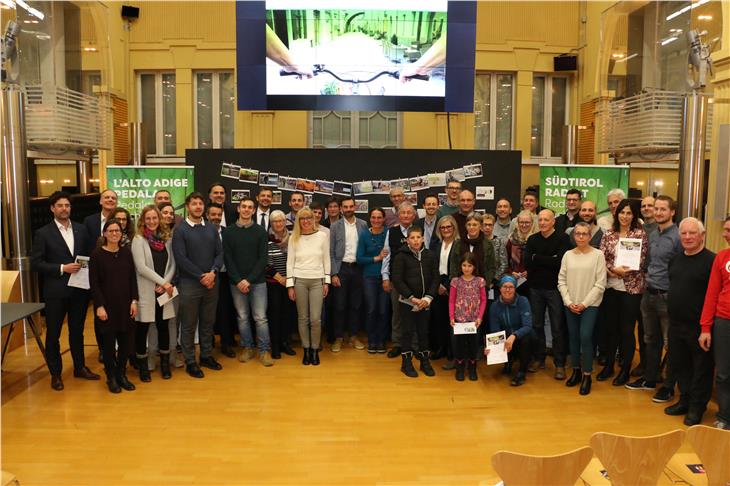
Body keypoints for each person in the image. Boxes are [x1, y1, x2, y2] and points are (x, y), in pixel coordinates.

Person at [30, 191, 99, 391]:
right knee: (53, 334)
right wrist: (62, 268)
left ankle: (79, 367)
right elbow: (36, 263)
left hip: (79, 290)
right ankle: (56, 373)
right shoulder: (43, 233)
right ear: (52, 208)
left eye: (67, 205)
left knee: (77, 332)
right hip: (56, 292)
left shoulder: (81, 229)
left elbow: (88, 256)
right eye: (59, 205)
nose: (64, 209)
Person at [661, 217, 716, 425]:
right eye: (683, 233)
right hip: (675, 323)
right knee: (680, 365)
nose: (687, 237)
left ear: (702, 235)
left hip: (699, 327)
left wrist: (707, 327)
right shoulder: (675, 259)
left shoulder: (712, 261)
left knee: (701, 368)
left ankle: (697, 407)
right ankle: (684, 400)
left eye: (692, 233)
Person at [626, 195, 682, 402]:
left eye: (662, 209)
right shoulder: (652, 234)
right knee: (651, 340)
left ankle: (668, 386)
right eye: (656, 209)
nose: (658, 212)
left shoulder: (678, 237)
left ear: (672, 212)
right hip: (648, 293)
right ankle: (649, 379)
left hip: (668, 297)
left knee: (671, 343)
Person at [172, 192, 224, 378]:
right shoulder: (180, 230)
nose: (198, 207)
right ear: (188, 207)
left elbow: (220, 254)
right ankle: (190, 361)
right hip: (190, 285)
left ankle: (206, 355)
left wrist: (213, 273)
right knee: (188, 324)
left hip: (211, 283)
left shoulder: (211, 228)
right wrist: (201, 276)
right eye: (194, 204)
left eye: (200, 204)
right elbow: (181, 258)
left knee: (208, 323)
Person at [595, 199, 648, 386]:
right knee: (611, 330)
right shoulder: (608, 234)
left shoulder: (640, 234)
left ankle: (625, 369)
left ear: (634, 215)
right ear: (616, 214)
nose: (625, 216)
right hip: (610, 287)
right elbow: (601, 257)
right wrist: (612, 271)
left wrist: (621, 271)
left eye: (629, 213)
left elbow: (640, 262)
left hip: (631, 289)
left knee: (626, 331)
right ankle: (608, 365)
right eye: (622, 212)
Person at [558, 222, 607, 396]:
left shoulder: (598, 255)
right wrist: (568, 301)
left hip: (590, 305)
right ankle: (576, 371)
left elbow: (601, 283)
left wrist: (584, 303)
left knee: (585, 337)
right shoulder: (568, 255)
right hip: (570, 303)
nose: (580, 237)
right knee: (573, 338)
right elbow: (561, 280)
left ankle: (587, 374)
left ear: (589, 236)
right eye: (577, 234)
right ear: (573, 236)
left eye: (584, 234)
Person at [89, 219, 138, 394]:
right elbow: (93, 284)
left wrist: (134, 301)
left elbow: (132, 278)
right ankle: (111, 377)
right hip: (107, 307)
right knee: (109, 346)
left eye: (117, 230)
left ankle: (121, 374)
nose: (114, 233)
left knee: (125, 344)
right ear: (104, 233)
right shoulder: (96, 255)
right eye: (110, 231)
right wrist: (99, 306)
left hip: (126, 305)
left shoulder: (126, 253)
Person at [223, 198, 273, 367]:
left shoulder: (260, 232)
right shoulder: (228, 232)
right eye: (243, 206)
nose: (246, 210)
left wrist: (249, 280)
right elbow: (228, 259)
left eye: (250, 207)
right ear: (238, 209)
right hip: (236, 283)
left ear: (253, 211)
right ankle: (247, 347)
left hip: (257, 282)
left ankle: (264, 350)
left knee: (260, 318)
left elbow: (262, 259)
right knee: (243, 317)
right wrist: (239, 280)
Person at [131, 205, 177, 382]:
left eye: (155, 218)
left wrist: (165, 283)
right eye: (148, 218)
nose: (151, 221)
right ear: (143, 220)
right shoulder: (138, 239)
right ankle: (143, 367)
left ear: (160, 219)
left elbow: (173, 264)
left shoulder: (167, 239)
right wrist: (163, 282)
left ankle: (165, 364)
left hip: (163, 291)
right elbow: (141, 267)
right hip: (146, 291)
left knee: (163, 326)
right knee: (142, 328)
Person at [524, 209, 571, 380]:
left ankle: (559, 364)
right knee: (536, 325)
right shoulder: (532, 239)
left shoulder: (563, 238)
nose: (543, 222)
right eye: (541, 219)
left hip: (555, 289)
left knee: (557, 327)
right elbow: (527, 261)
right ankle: (539, 358)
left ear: (553, 222)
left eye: (546, 220)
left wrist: (538, 258)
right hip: (535, 288)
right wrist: (548, 259)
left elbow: (560, 261)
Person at [391, 226, 439, 378]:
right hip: (408, 302)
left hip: (425, 302)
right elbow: (397, 280)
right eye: (412, 238)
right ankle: (406, 363)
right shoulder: (400, 256)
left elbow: (435, 278)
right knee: (407, 332)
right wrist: (411, 297)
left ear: (423, 238)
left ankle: (425, 362)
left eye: (418, 237)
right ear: (407, 240)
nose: (416, 240)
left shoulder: (430, 255)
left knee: (423, 332)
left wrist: (428, 298)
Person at [287, 207, 330, 366]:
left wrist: (326, 281)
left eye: (308, 218)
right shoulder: (294, 238)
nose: (305, 221)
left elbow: (327, 260)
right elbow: (289, 262)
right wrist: (290, 285)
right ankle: (306, 349)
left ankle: (314, 349)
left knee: (315, 319)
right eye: (302, 218)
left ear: (313, 219)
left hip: (317, 280)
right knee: (303, 318)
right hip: (299, 281)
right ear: (298, 221)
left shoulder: (322, 236)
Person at [700, 215, 730, 430]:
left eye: (729, 230)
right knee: (723, 373)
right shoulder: (721, 257)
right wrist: (705, 328)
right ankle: (725, 416)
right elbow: (711, 294)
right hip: (723, 322)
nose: (725, 234)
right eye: (725, 229)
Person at [329, 197, 368, 351]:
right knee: (339, 305)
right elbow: (331, 252)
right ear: (341, 209)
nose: (348, 209)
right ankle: (339, 337)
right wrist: (334, 274)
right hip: (342, 268)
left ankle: (353, 336)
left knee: (356, 305)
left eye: (351, 206)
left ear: (355, 207)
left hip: (358, 268)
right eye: (345, 207)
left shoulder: (363, 225)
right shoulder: (335, 226)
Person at [382, 201, 417, 358]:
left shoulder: (418, 231)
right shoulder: (392, 232)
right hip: (397, 279)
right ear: (398, 215)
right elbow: (386, 255)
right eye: (403, 213)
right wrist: (385, 277)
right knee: (397, 313)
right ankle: (397, 344)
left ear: (414, 215)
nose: (406, 215)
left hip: (415, 279)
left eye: (409, 213)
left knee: (415, 312)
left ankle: (414, 345)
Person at [486, 276, 535, 386]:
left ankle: (522, 372)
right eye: (505, 286)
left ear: (515, 289)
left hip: (521, 336)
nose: (507, 290)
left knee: (527, 338)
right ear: (500, 288)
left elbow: (527, 326)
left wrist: (514, 336)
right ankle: (508, 361)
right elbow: (495, 330)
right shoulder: (494, 306)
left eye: (511, 287)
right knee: (498, 338)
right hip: (506, 337)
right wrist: (492, 347)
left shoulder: (523, 301)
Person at [204, 203, 237, 358]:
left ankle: (226, 343)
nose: (216, 218)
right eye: (213, 215)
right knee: (207, 312)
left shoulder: (227, 232)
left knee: (225, 311)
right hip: (207, 276)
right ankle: (208, 342)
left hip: (225, 276)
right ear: (207, 215)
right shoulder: (201, 232)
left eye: (219, 215)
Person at [356, 208, 390, 353]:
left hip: (385, 277)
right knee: (371, 309)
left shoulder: (389, 233)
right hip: (369, 277)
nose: (376, 220)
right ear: (370, 219)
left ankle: (381, 341)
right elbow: (359, 258)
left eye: (379, 217)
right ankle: (372, 340)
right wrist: (377, 258)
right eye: (373, 217)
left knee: (383, 310)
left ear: (383, 219)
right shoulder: (364, 234)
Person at [449, 253, 487, 381]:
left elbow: (483, 300)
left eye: (469, 265)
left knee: (473, 344)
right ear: (460, 266)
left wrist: (480, 317)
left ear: (474, 267)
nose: (466, 268)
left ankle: (472, 367)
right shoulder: (456, 281)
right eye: (464, 265)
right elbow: (451, 301)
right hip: (459, 320)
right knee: (458, 344)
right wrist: (451, 317)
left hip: (474, 321)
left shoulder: (480, 281)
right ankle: (460, 367)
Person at [264, 210, 296, 359]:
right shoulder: (267, 239)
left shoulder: (293, 238)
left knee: (288, 314)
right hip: (274, 283)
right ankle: (275, 345)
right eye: (275, 221)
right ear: (271, 223)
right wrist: (280, 278)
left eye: (281, 221)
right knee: (275, 314)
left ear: (285, 222)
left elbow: (296, 259)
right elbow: (266, 264)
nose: (278, 224)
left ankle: (285, 343)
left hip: (290, 282)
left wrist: (288, 279)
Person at [431, 215, 460, 367]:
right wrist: (437, 285)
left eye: (449, 227)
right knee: (438, 318)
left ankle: (451, 350)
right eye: (443, 227)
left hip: (453, 285)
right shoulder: (436, 244)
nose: (446, 230)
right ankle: (440, 347)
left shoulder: (459, 244)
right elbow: (431, 265)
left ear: (454, 228)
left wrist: (448, 286)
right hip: (437, 284)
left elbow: (459, 268)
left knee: (451, 320)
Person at [505, 210, 537, 297]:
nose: (524, 225)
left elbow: (539, 261)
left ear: (532, 223)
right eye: (521, 222)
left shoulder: (537, 239)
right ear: (517, 223)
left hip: (533, 281)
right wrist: (511, 272)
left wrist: (529, 272)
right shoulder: (511, 240)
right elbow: (505, 260)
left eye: (527, 222)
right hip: (514, 280)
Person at [482, 213, 508, 285]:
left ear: (493, 226)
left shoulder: (499, 241)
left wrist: (493, 279)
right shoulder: (477, 241)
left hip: (495, 281)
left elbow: (504, 264)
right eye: (485, 225)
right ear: (481, 226)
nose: (487, 227)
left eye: (490, 225)